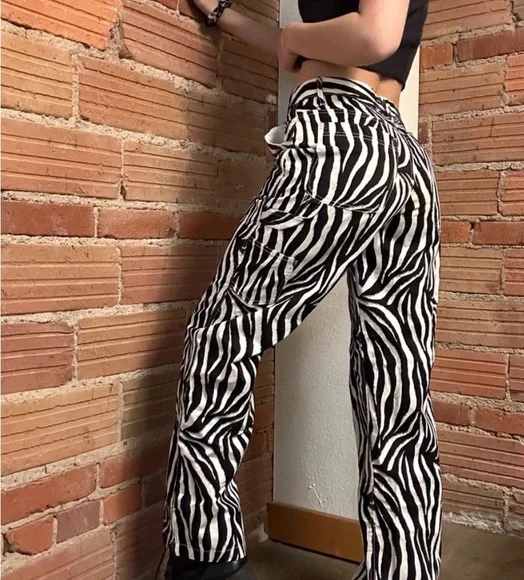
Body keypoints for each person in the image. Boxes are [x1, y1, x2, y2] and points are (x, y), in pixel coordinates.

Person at [162, 1, 441, 579]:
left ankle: (205, 558)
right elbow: (310, 45)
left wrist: (293, 37)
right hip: (401, 161)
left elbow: (374, 36)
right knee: (395, 389)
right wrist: (224, 15)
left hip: (340, 140)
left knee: (221, 337)